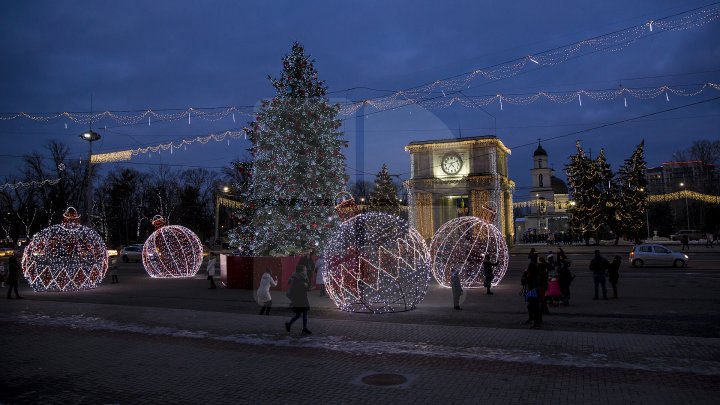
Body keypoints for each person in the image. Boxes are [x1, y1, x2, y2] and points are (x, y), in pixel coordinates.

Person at [285, 265, 312, 335]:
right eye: (305, 270)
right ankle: (303, 328)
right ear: (301, 271)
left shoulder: (303, 277)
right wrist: (303, 285)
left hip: (302, 297)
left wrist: (307, 287)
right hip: (299, 298)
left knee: (300, 314)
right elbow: (294, 286)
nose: (306, 271)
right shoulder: (296, 277)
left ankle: (292, 325)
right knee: (301, 313)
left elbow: (306, 287)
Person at [521, 262, 542, 328]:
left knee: (533, 307)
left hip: (532, 293)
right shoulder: (537, 274)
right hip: (537, 292)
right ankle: (536, 321)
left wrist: (524, 273)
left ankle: (536, 323)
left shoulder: (531, 275)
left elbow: (523, 281)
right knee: (534, 307)